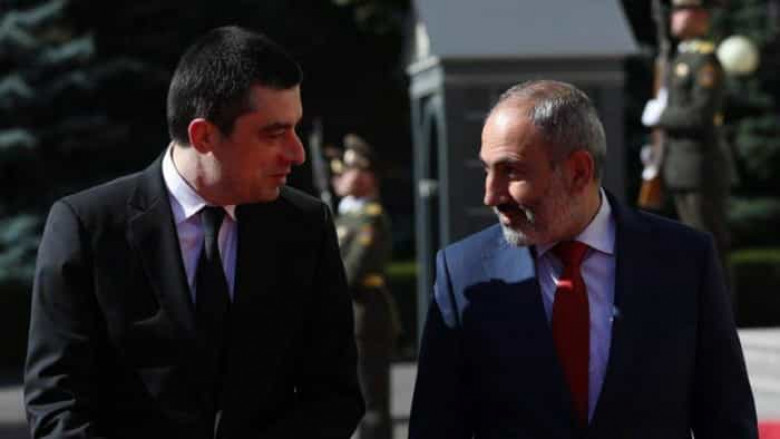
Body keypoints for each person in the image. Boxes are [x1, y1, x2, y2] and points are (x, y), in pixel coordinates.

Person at [24, 25, 364, 438]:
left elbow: (334, 395)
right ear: (203, 135)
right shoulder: (88, 227)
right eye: (274, 133)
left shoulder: (305, 226)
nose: (297, 153)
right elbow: (57, 404)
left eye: (295, 128)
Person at [409, 80, 757, 438]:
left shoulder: (684, 260)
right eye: (487, 170)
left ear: (579, 171)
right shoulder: (464, 272)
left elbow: (727, 421)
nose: (491, 195)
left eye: (511, 171)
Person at [642, 0, 734, 275]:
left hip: (698, 168)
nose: (675, 16)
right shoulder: (679, 59)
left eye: (683, 10)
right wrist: (656, 153)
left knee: (707, 242)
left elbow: (699, 116)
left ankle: (720, 302)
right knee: (689, 246)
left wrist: (661, 116)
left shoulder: (704, 61)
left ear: (701, 17)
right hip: (676, 167)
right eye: (676, 10)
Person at [331, 134, 399, 439]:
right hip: (351, 314)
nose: (342, 176)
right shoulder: (347, 215)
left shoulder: (370, 218)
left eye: (351, 169)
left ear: (368, 176)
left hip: (365, 314)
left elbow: (352, 269)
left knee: (371, 399)